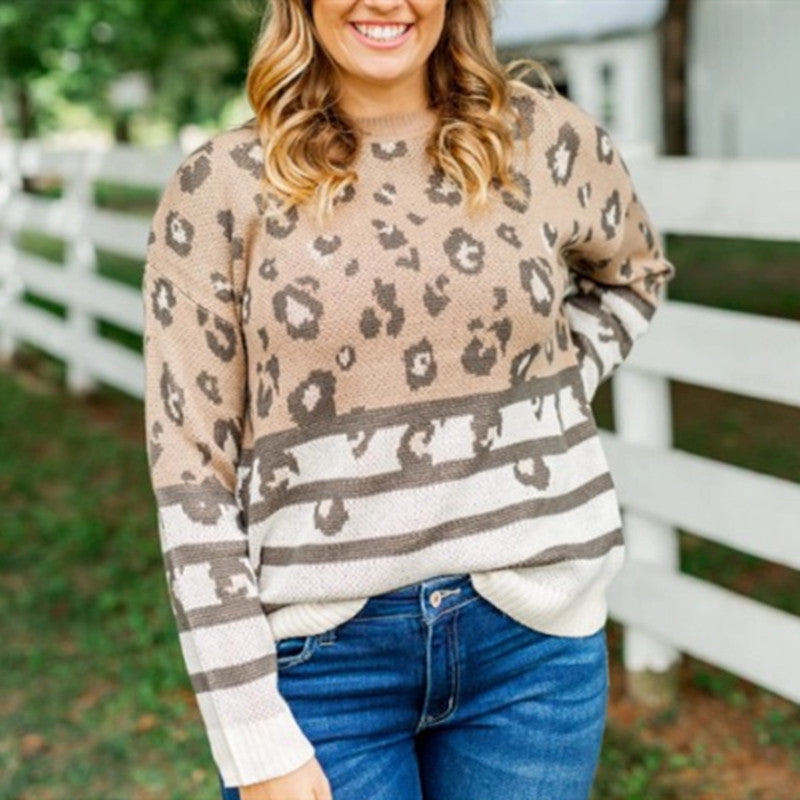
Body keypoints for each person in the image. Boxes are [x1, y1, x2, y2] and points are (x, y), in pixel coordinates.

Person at [141, 0, 676, 798]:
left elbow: (632, 275)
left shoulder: (543, 138)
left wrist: (545, 401)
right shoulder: (220, 187)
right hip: (322, 668)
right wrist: (251, 737)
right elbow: (190, 473)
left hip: (532, 646)